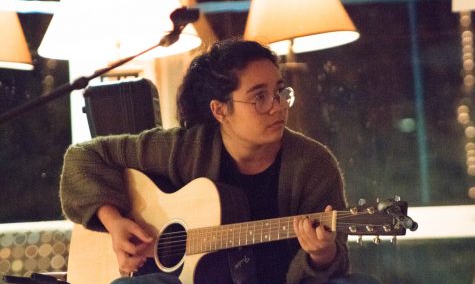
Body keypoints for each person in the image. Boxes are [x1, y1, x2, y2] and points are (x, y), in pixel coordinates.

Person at [60, 39, 379, 284]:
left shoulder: (313, 164)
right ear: (220, 110)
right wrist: (115, 223)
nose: (277, 106)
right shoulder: (186, 148)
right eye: (259, 97)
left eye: (280, 92)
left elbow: (332, 264)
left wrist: (322, 255)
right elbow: (84, 157)